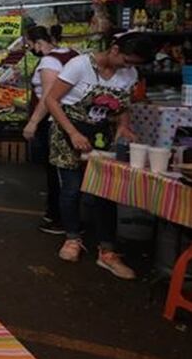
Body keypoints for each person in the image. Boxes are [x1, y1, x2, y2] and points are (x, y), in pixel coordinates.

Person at [44, 32, 157, 278]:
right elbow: (51, 100)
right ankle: (72, 238)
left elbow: (122, 107)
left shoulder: (129, 75)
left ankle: (107, 251)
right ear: (115, 50)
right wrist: (73, 133)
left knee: (103, 192)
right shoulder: (80, 66)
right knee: (72, 189)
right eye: (128, 61)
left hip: (100, 136)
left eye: (134, 64)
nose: (130, 67)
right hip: (67, 131)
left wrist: (123, 126)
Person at [21, 25, 78, 235]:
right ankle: (61, 215)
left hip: (53, 122)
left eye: (29, 45)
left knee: (56, 172)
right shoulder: (72, 55)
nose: (30, 49)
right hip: (71, 119)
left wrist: (33, 122)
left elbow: (48, 97)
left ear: (38, 43)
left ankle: (59, 218)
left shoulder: (49, 61)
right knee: (65, 171)